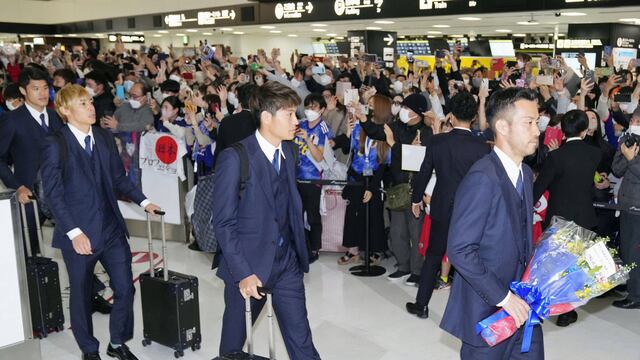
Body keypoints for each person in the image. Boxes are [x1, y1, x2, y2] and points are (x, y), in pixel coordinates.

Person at [40, 84, 161, 360]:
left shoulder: (104, 138)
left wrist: (144, 202)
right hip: (79, 234)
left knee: (125, 287)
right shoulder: (55, 144)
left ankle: (117, 342)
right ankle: (89, 349)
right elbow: (54, 195)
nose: (91, 107)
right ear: (65, 111)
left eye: (90, 101)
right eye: (82, 103)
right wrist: (73, 232)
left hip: (110, 229)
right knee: (81, 296)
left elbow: (119, 178)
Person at [212, 81, 320, 359]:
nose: (296, 121)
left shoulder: (290, 153)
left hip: (286, 264)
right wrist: (243, 272)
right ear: (266, 117)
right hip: (247, 267)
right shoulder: (235, 158)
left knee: (301, 340)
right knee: (233, 348)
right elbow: (223, 222)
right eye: (290, 115)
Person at [441, 88, 544, 359]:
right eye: (529, 123)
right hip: (487, 315)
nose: (537, 130)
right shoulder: (482, 178)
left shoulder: (523, 172)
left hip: (523, 312)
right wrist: (505, 299)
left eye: (538, 122)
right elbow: (460, 249)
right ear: (502, 126)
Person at [406, 92, 491, 319]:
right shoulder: (482, 147)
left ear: (450, 116)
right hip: (471, 211)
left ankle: (421, 304)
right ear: (474, 116)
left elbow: (424, 173)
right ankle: (473, 310)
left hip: (442, 206)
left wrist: (416, 200)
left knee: (434, 255)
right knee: (471, 258)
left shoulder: (437, 141)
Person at [533, 109, 603, 327]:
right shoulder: (594, 154)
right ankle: (568, 311)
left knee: (554, 264)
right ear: (584, 131)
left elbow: (539, 188)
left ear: (562, 130)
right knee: (575, 265)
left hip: (558, 218)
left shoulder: (556, 156)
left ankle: (550, 306)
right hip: (583, 216)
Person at [359, 93, 433, 285]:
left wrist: (395, 144)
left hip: (416, 189)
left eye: (408, 109)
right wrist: (363, 119)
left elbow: (415, 162)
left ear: (417, 113)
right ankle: (403, 266)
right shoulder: (397, 126)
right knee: (397, 231)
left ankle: (417, 270)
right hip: (396, 188)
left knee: (416, 232)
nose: (403, 111)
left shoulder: (425, 132)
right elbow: (376, 132)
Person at [0, 67, 64, 254]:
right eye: (36, 88)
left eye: (45, 88)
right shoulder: (12, 120)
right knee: (29, 248)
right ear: (23, 90)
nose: (43, 93)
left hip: (60, 191)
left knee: (73, 239)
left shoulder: (55, 116)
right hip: (28, 195)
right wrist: (17, 186)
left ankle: (86, 282)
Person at [337, 94, 391, 265]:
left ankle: (374, 250)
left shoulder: (386, 130)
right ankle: (353, 250)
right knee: (353, 214)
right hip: (356, 176)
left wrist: (372, 187)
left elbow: (383, 164)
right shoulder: (360, 126)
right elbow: (348, 150)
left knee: (374, 216)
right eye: (367, 104)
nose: (368, 107)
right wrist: (348, 131)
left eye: (372, 105)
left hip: (374, 178)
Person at [294, 93, 334, 264]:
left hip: (312, 178)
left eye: (314, 107)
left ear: (322, 110)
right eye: (308, 107)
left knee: (312, 215)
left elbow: (319, 157)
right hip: (295, 176)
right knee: (296, 214)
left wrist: (307, 140)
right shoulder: (300, 123)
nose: (309, 110)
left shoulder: (323, 128)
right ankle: (300, 245)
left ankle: (314, 248)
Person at [611, 107, 640, 310]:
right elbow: (616, 169)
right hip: (627, 205)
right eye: (634, 119)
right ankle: (633, 288)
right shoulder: (628, 139)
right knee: (628, 251)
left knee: (634, 252)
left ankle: (636, 295)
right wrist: (624, 150)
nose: (635, 123)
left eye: (638, 120)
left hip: (637, 207)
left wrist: (632, 159)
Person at [212, 83, 258, 162]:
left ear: (240, 101)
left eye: (236, 96)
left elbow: (219, 155)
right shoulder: (264, 120)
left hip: (233, 167)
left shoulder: (227, 121)